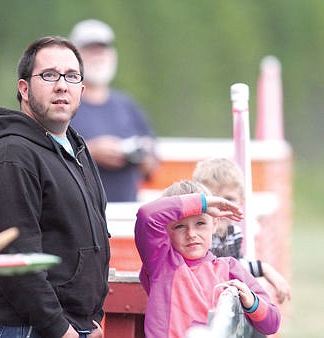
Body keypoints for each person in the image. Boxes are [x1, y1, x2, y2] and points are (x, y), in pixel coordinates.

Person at [0, 36, 110, 338]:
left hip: (73, 326)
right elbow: (15, 257)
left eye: (71, 76)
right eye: (49, 75)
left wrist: (90, 318)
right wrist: (60, 328)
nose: (62, 85)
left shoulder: (75, 148)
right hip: (25, 329)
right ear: (24, 89)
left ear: (81, 91)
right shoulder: (12, 156)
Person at [134, 180, 281, 337]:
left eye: (200, 223)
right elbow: (146, 214)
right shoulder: (161, 262)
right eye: (179, 226)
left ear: (215, 224)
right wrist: (201, 203)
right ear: (166, 230)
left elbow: (272, 322)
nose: (191, 234)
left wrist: (252, 302)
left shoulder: (229, 267)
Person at [69, 19, 158, 202]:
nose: (98, 55)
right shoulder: (63, 104)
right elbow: (46, 158)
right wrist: (90, 152)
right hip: (80, 215)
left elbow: (152, 165)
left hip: (126, 214)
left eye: (103, 49)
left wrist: (140, 155)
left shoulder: (127, 105)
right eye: (90, 49)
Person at [192, 157, 291, 305]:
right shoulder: (194, 235)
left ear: (241, 201)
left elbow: (236, 267)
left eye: (229, 199)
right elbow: (217, 269)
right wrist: (264, 269)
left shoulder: (233, 232)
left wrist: (267, 271)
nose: (222, 206)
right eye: (213, 199)